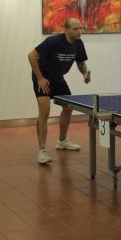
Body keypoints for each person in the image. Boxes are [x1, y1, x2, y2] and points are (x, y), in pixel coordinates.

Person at [28, 18, 91, 165]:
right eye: (75, 29)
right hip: (43, 77)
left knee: (68, 107)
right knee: (45, 112)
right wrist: (40, 78)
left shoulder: (78, 44)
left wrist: (85, 73)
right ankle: (42, 151)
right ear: (66, 30)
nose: (79, 31)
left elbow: (80, 62)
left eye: (80, 28)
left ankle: (62, 140)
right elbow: (31, 56)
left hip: (58, 78)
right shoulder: (53, 41)